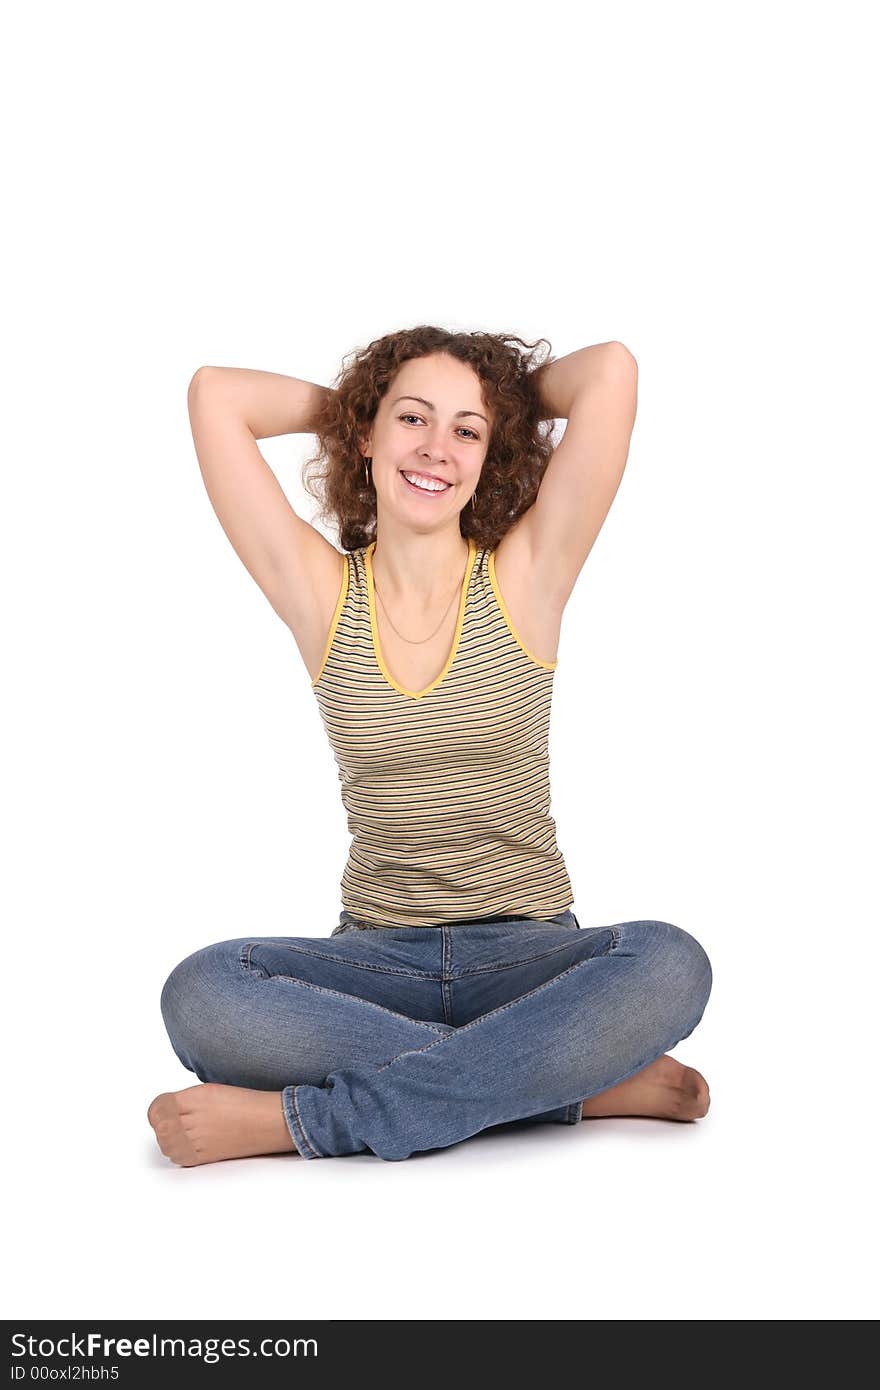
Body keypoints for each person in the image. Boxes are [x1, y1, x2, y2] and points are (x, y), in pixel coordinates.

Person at [148, 325, 712, 1165]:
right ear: (367, 438)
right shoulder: (320, 595)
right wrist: (360, 407)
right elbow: (214, 397)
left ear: (492, 456)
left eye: (468, 430)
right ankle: (565, 1083)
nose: (437, 449)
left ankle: (305, 1121)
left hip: (532, 950)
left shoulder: (527, 574)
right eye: (412, 420)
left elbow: (611, 373)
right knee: (201, 995)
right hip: (373, 955)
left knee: (670, 961)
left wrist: (488, 402)